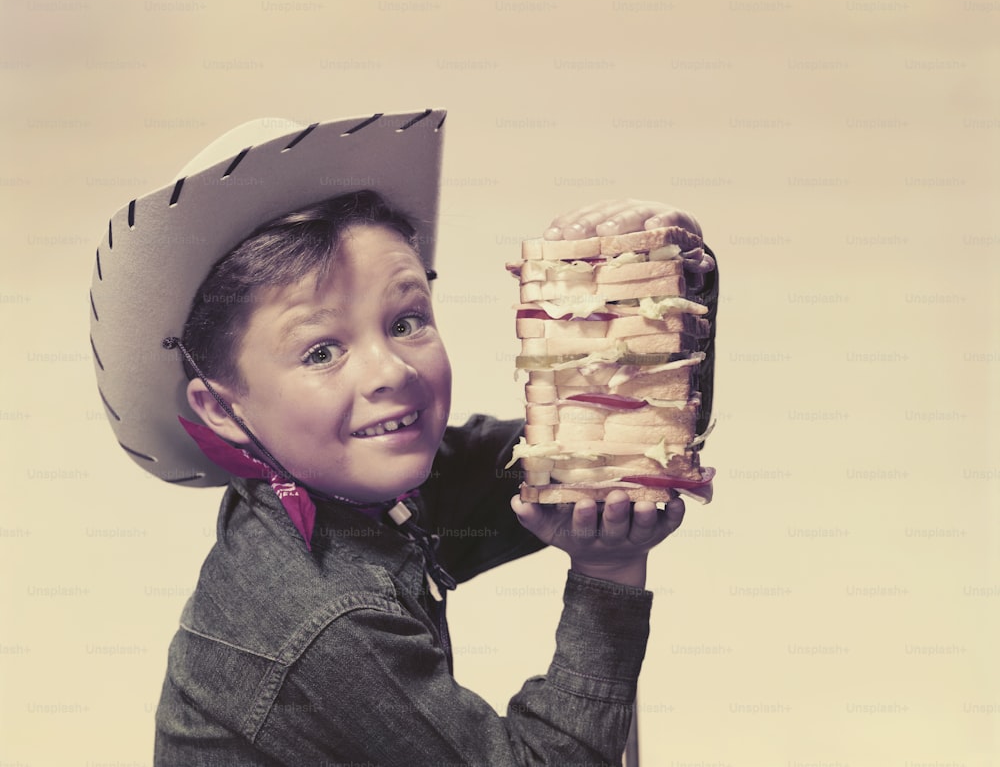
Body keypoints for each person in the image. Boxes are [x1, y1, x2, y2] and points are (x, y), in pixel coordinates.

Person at [89, 110, 717, 766]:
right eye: (322, 351)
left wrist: (643, 325)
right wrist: (608, 571)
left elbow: (564, 459)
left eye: (407, 319)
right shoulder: (329, 619)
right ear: (220, 408)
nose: (390, 370)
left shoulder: (353, 483)